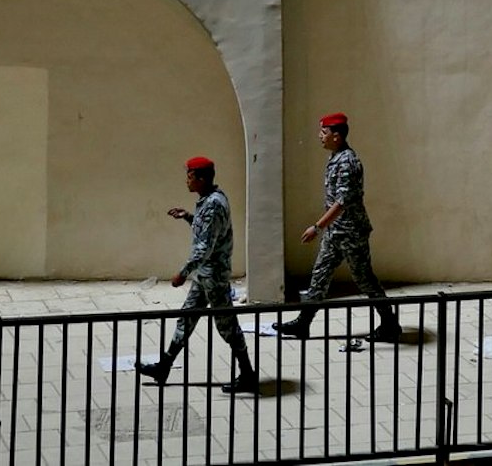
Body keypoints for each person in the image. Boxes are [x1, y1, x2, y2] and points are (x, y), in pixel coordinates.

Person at [269, 113, 400, 344]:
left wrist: (316, 227)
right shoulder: (336, 158)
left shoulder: (347, 161)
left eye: (324, 132)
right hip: (335, 232)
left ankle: (390, 323)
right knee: (319, 277)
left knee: (365, 279)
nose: (320, 136)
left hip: (350, 232)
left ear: (336, 136)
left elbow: (342, 202)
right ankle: (303, 323)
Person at [138, 156, 259, 393]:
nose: (187, 181)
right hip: (205, 276)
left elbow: (205, 246)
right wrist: (189, 217)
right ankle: (164, 366)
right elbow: (207, 230)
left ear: (201, 179)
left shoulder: (213, 204)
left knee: (227, 325)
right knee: (187, 318)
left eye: (190, 176)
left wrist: (182, 273)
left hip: (213, 276)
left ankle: (247, 374)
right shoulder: (211, 199)